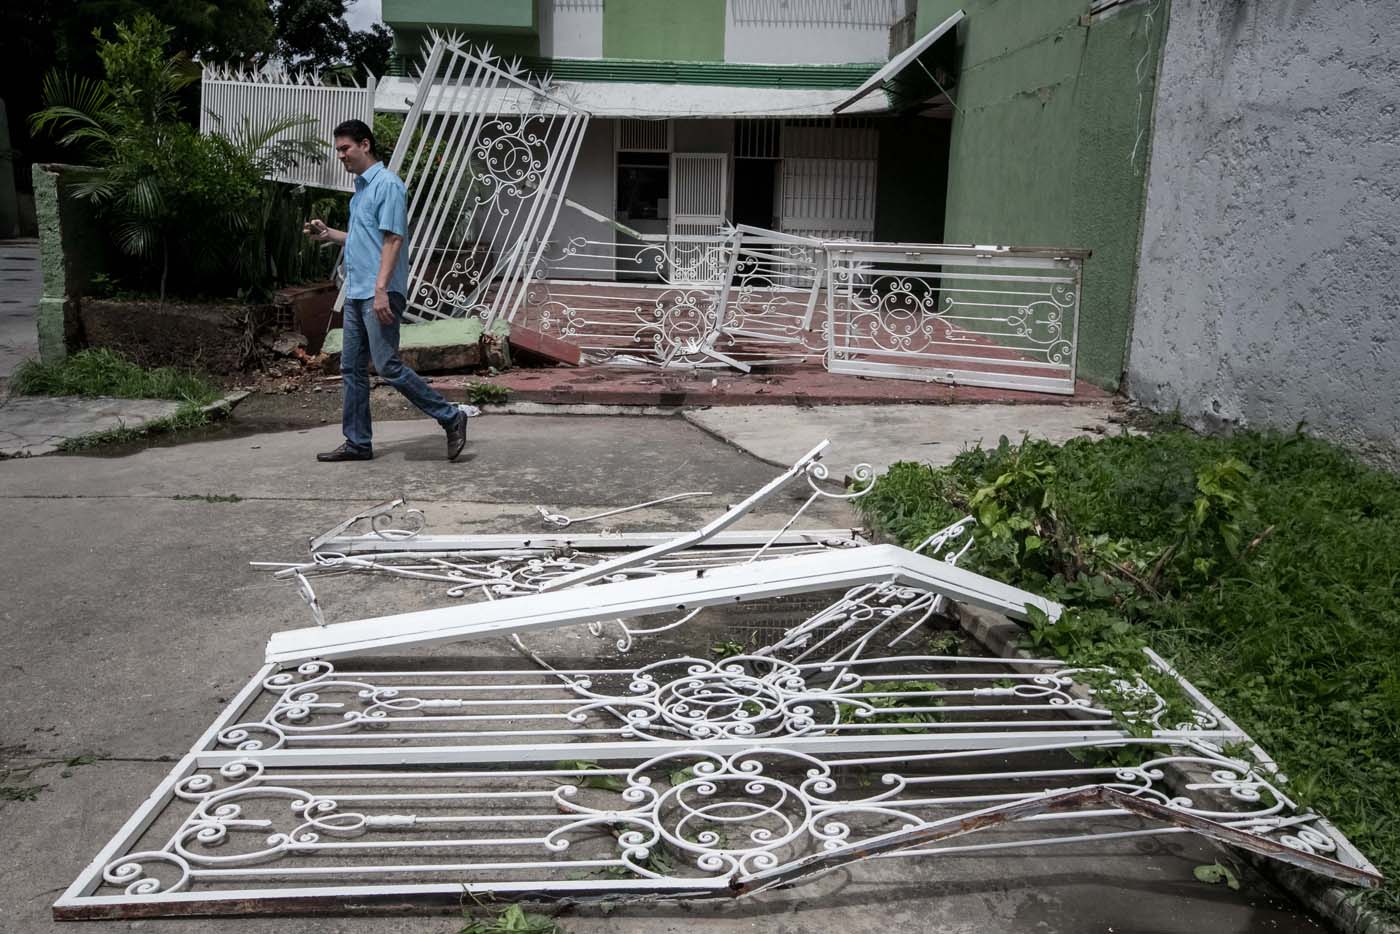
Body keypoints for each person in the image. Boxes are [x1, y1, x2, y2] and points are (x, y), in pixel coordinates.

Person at [304, 119, 469, 463]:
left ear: (365, 145)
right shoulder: (362, 190)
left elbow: (394, 239)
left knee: (388, 366)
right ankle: (357, 443)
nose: (341, 156)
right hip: (357, 292)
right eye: (338, 150)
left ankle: (451, 416)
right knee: (351, 369)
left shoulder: (388, 185)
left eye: (345, 148)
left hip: (379, 292)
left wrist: (381, 290)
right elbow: (364, 239)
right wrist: (329, 234)